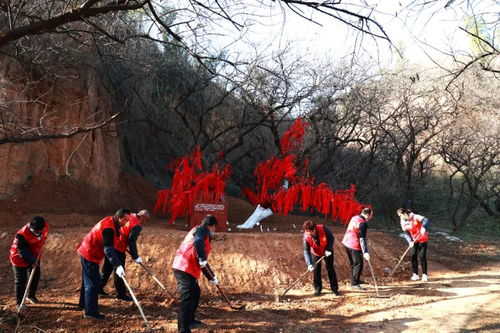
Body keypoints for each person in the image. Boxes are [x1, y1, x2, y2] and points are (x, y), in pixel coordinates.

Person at [77, 208, 131, 319]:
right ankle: (90, 312)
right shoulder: (108, 228)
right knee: (93, 283)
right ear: (119, 218)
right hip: (89, 253)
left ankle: (83, 305)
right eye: (126, 220)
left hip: (90, 252)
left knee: (88, 282)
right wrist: (118, 266)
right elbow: (108, 249)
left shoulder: (112, 221)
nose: (127, 223)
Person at [172, 215, 219, 333]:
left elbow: (202, 263)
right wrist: (202, 258)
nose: (214, 230)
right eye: (214, 228)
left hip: (186, 267)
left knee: (195, 292)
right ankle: (183, 329)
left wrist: (211, 277)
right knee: (187, 300)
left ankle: (190, 320)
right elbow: (199, 247)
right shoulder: (202, 230)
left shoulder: (199, 231)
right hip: (184, 267)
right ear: (211, 226)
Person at [99, 209, 151, 300]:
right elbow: (132, 241)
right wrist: (135, 256)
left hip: (112, 244)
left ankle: (98, 288)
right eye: (146, 220)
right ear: (142, 216)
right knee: (119, 271)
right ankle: (121, 294)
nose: (145, 222)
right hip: (119, 248)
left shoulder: (129, 215)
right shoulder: (137, 226)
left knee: (106, 269)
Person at [9, 216, 49, 310]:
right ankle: (19, 303)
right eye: (37, 231)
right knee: (21, 281)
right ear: (31, 228)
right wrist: (32, 261)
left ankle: (30, 296)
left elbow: (44, 234)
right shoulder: (22, 235)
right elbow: (22, 251)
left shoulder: (44, 226)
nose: (39, 232)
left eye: (41, 231)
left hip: (34, 254)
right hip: (18, 258)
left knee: (36, 275)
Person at [302, 220, 339, 296]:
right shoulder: (306, 237)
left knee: (330, 268)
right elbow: (306, 251)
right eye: (307, 232)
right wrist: (309, 264)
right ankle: (317, 289)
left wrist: (328, 250)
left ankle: (334, 289)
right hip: (315, 252)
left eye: (310, 232)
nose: (308, 234)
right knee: (316, 270)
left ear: (314, 229)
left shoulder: (323, 228)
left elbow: (331, 238)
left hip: (327, 251)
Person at [342, 207, 373, 290]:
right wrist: (365, 252)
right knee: (358, 264)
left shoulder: (355, 217)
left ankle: (356, 279)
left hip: (346, 242)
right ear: (367, 215)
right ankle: (354, 283)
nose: (371, 217)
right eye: (371, 215)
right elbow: (362, 238)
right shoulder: (362, 224)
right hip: (353, 244)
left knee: (354, 264)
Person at [397, 208, 431, 281]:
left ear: (405, 213)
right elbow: (405, 232)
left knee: (422, 256)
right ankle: (415, 274)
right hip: (413, 240)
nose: (400, 217)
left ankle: (424, 275)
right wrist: (410, 241)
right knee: (413, 256)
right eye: (399, 216)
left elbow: (426, 220)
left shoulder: (415, 216)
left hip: (422, 238)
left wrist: (423, 227)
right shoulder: (402, 221)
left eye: (401, 215)